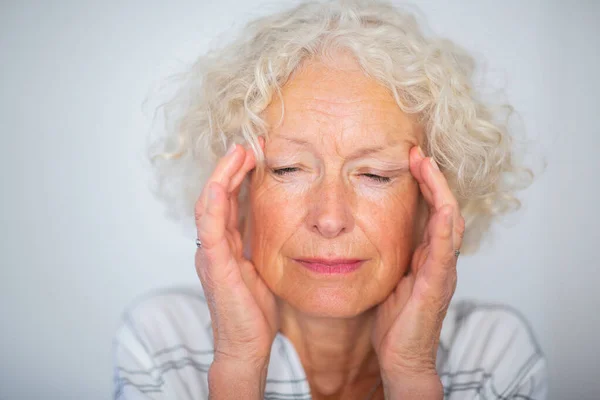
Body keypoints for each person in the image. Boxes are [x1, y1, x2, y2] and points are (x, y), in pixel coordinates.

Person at [113, 0, 547, 399]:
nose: (330, 218)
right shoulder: (164, 339)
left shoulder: (492, 353)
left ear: (431, 204)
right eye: (287, 169)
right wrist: (239, 364)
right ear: (237, 193)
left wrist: (411, 374)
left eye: (375, 174)